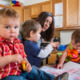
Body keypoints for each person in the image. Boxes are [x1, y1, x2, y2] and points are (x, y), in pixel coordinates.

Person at [0, 7, 69, 80]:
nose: (12, 31)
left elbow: (24, 57)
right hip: (6, 75)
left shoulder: (19, 43)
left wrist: (27, 64)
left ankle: (54, 78)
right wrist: (11, 58)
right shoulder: (1, 44)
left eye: (16, 27)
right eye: (7, 27)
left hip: (20, 70)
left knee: (35, 71)